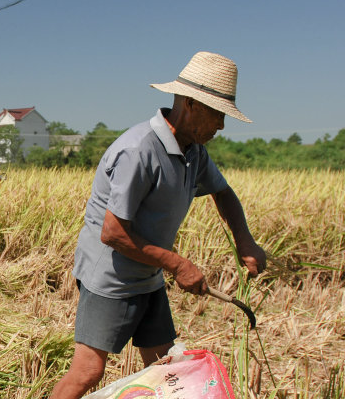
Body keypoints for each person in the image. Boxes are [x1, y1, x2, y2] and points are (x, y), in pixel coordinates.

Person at [49, 51, 267, 399]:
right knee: (88, 371)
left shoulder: (193, 151)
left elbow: (224, 193)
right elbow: (113, 233)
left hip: (149, 274)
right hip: (112, 277)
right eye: (217, 115)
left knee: (167, 369)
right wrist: (178, 264)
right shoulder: (139, 151)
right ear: (190, 104)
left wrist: (246, 242)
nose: (222, 126)